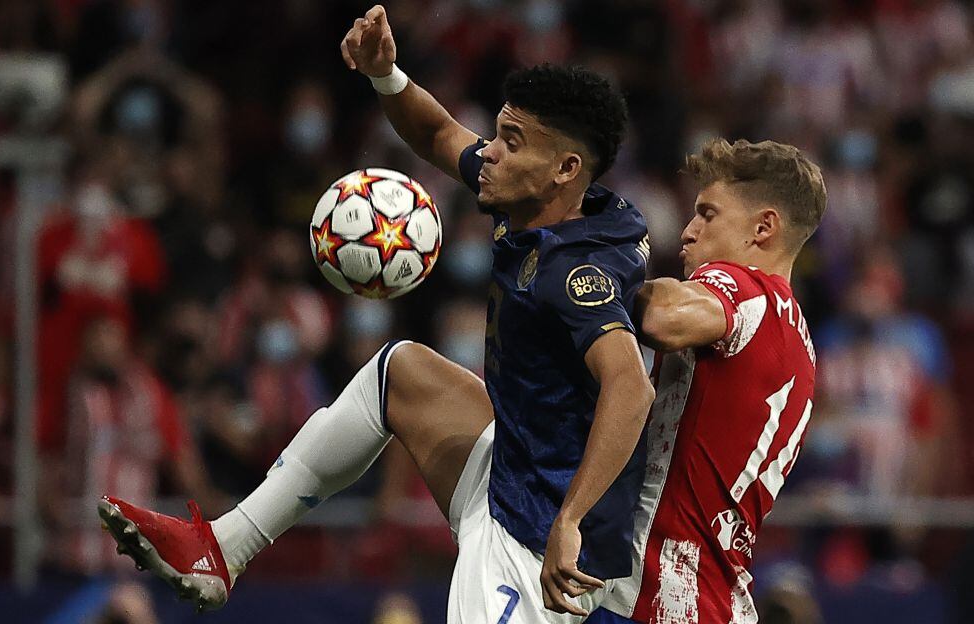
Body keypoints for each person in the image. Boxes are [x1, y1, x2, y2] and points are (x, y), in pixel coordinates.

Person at [97, 4, 655, 621]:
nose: (488, 152)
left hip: (541, 543)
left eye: (509, 142)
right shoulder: (556, 202)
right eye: (497, 133)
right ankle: (226, 547)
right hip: (516, 469)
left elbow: (630, 387)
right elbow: (440, 135)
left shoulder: (574, 275)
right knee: (401, 373)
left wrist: (570, 520)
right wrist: (386, 75)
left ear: (565, 169)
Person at [585, 138, 826, 623]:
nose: (689, 231)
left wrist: (587, 270)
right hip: (713, 598)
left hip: (657, 594)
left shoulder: (747, 289)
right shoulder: (799, 339)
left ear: (763, 228)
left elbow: (665, 317)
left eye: (708, 214)